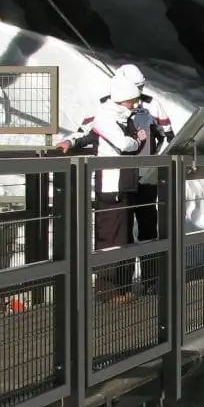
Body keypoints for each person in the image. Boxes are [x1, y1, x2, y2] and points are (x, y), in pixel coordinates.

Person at [58, 67, 149, 302]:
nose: (135, 102)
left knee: (124, 235)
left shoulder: (124, 116)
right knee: (110, 236)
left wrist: (136, 140)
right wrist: (137, 139)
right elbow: (121, 144)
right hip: (112, 184)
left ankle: (122, 285)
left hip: (125, 183)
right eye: (133, 96)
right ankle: (108, 289)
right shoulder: (107, 116)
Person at [125, 66, 173, 293]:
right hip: (120, 178)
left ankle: (151, 280)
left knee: (147, 226)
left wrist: (155, 158)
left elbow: (169, 135)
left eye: (140, 87)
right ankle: (121, 285)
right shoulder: (108, 106)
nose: (138, 92)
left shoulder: (152, 105)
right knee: (121, 229)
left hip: (146, 177)